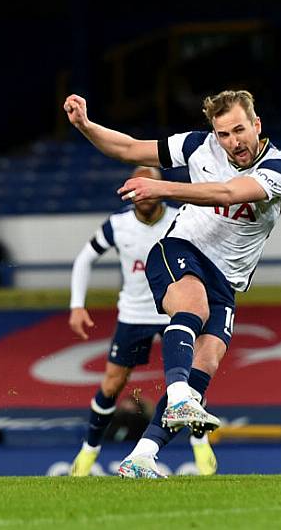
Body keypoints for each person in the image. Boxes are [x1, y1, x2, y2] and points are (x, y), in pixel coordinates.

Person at [64, 89, 281, 478]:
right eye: (223, 134)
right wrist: (86, 126)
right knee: (193, 310)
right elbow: (130, 150)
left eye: (239, 130)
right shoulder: (197, 146)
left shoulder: (279, 168)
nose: (232, 141)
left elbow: (228, 192)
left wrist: (163, 187)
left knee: (205, 364)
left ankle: (142, 456)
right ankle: (175, 397)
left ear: (256, 126)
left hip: (227, 278)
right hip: (180, 249)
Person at [66, 166, 217, 476]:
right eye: (136, 187)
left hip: (174, 310)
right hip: (134, 314)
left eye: (150, 185)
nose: (142, 193)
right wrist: (76, 305)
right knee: (112, 384)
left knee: (190, 376)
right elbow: (85, 257)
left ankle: (200, 443)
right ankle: (88, 451)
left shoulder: (181, 218)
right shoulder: (117, 225)